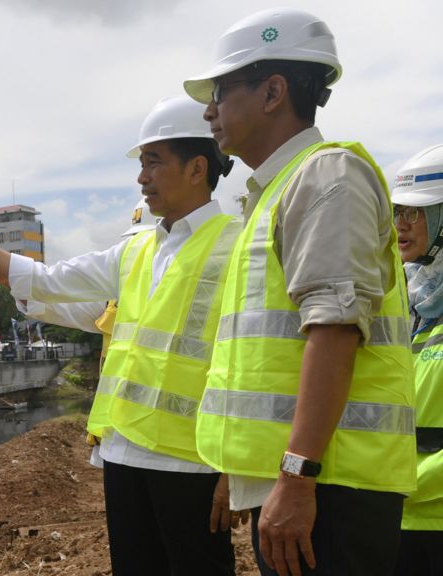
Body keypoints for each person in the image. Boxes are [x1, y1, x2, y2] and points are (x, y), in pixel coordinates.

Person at [0, 95, 243, 576]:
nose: (141, 177)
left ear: (197, 168)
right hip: (125, 450)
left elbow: (247, 363)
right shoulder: (137, 251)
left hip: (193, 463)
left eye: (153, 162)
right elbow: (49, 280)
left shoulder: (238, 245)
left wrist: (236, 467)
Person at [182, 8, 416, 576]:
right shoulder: (276, 192)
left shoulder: (327, 177)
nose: (210, 111)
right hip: (305, 480)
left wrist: (296, 475)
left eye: (220, 91)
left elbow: (334, 329)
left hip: (331, 488)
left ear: (273, 92)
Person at [391, 144, 443, 576]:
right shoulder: (403, 301)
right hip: (397, 517)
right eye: (398, 212)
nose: (401, 225)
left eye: (416, 212)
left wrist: (403, 484)